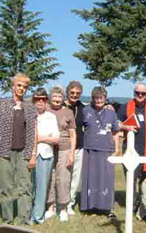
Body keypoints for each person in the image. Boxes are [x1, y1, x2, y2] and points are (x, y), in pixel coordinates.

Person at [0, 73, 37, 225]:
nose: (22, 89)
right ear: (13, 86)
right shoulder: (2, 104)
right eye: (19, 85)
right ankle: (7, 221)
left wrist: (33, 154)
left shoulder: (29, 107)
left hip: (24, 152)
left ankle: (24, 222)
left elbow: (33, 132)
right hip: (4, 151)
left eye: (25, 87)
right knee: (6, 188)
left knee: (25, 188)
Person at [117, 82, 146, 209]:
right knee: (131, 177)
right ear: (134, 93)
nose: (140, 95)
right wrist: (127, 127)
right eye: (138, 93)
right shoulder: (126, 106)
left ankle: (144, 204)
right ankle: (131, 203)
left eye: (143, 93)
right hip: (130, 149)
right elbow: (117, 123)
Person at [81, 86, 120, 217]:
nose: (99, 100)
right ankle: (91, 206)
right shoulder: (86, 110)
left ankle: (107, 208)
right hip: (90, 149)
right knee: (91, 178)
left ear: (105, 98)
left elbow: (115, 132)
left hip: (107, 149)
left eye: (101, 98)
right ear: (93, 99)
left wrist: (117, 148)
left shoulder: (111, 113)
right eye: (96, 98)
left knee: (107, 179)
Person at [45, 85, 76, 222]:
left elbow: (73, 134)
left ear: (63, 98)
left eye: (59, 96)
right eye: (54, 96)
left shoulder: (68, 112)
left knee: (63, 178)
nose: (57, 99)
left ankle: (63, 208)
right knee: (49, 177)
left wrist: (72, 153)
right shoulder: (45, 110)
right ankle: (50, 207)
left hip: (64, 147)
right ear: (50, 98)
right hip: (48, 148)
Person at [31, 88, 60, 224]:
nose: (40, 101)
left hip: (45, 155)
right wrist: (45, 137)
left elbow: (56, 139)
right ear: (33, 100)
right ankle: (27, 213)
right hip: (29, 155)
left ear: (46, 101)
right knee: (29, 186)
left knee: (42, 186)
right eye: (37, 99)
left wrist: (39, 138)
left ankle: (38, 216)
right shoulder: (28, 115)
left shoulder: (51, 117)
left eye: (43, 99)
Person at [64, 81, 85, 216]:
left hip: (79, 147)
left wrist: (109, 107)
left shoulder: (83, 108)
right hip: (63, 147)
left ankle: (70, 203)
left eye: (77, 93)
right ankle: (59, 202)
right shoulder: (60, 106)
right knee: (64, 176)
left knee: (76, 178)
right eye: (72, 93)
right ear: (68, 92)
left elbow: (98, 107)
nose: (74, 95)